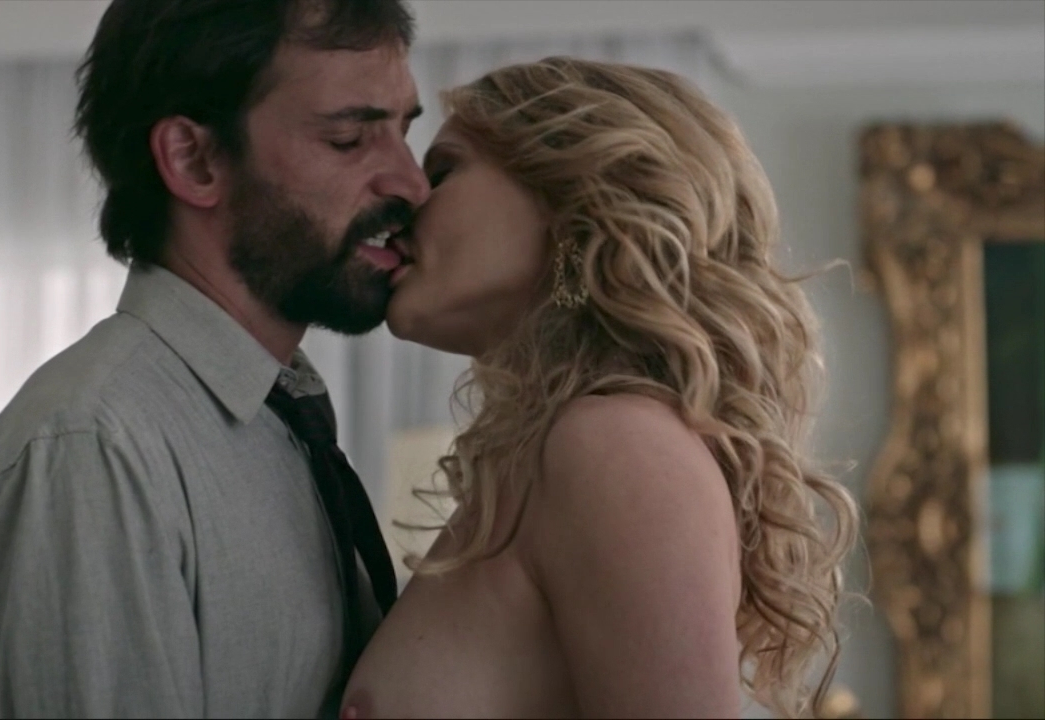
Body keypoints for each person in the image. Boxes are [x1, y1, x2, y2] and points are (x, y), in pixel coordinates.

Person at [0, 0, 428, 717]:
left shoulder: (282, 418)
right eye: (349, 138)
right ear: (193, 160)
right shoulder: (92, 449)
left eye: (404, 131)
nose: (411, 184)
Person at [342, 58, 859, 718]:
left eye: (443, 171)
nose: (407, 200)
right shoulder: (566, 447)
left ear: (570, 201)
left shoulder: (616, 442)